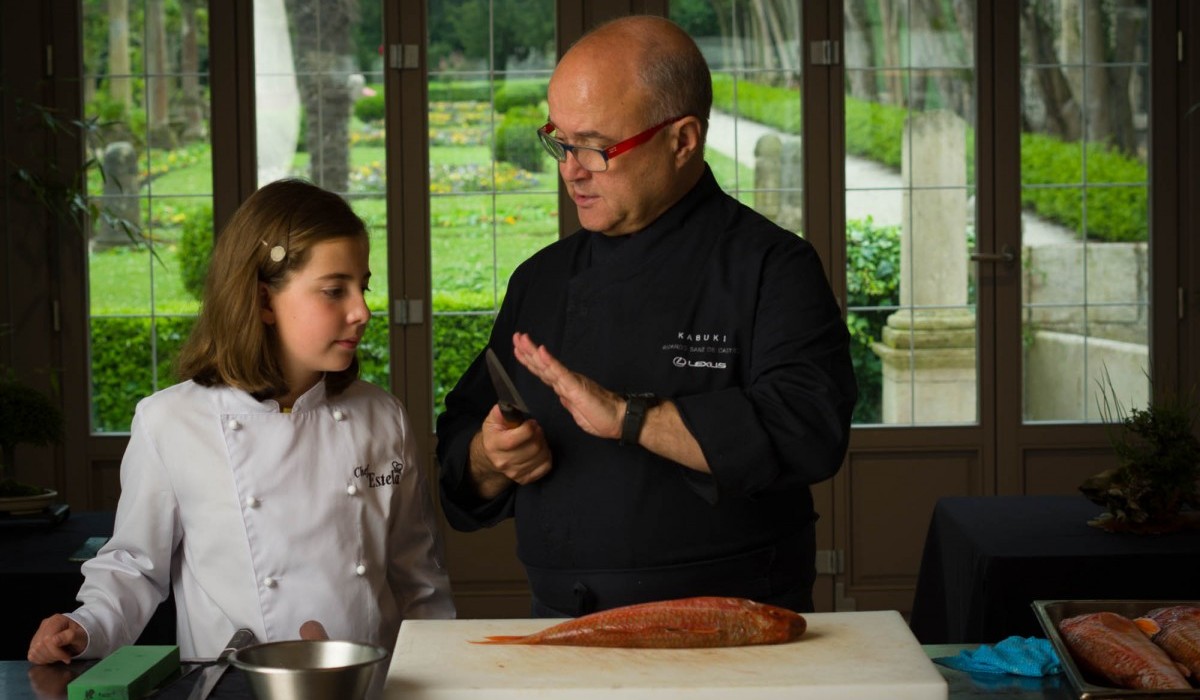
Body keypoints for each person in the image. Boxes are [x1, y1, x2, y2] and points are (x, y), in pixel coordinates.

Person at [435, 15, 857, 618]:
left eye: (596, 147)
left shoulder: (772, 265)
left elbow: (808, 431)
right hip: (562, 624)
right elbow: (462, 447)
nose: (570, 169)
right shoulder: (542, 278)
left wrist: (628, 417)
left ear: (683, 139)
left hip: (735, 623)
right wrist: (490, 455)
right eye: (560, 140)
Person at [28, 179, 455, 665]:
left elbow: (420, 580)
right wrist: (86, 626)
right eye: (335, 290)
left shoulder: (383, 417)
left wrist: (442, 675)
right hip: (236, 686)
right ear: (263, 300)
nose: (362, 311)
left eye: (363, 286)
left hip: (370, 686)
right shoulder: (171, 422)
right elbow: (134, 567)